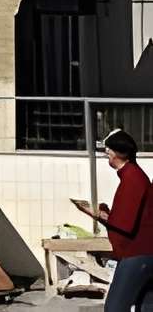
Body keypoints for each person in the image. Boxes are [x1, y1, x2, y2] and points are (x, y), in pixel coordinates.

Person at [74, 129, 153, 312]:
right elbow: (128, 216)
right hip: (144, 252)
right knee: (146, 306)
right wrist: (103, 213)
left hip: (137, 253)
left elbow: (124, 224)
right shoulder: (133, 175)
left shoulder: (132, 178)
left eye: (108, 151)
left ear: (117, 154)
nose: (106, 155)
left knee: (115, 307)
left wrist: (97, 214)